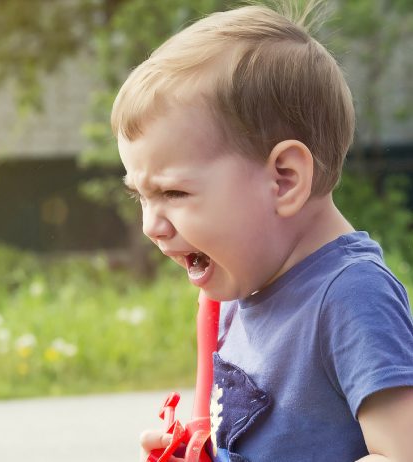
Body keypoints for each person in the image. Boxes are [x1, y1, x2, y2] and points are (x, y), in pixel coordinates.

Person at [111, 1, 413, 461]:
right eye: (141, 196)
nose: (151, 226)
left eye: (173, 193)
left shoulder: (351, 297)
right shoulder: (244, 289)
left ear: (284, 179)